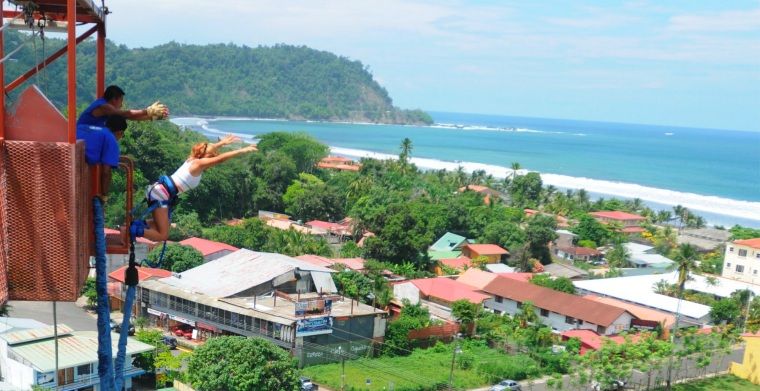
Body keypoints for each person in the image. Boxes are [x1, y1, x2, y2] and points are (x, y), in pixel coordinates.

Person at [126, 134, 257, 242]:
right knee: (163, 235)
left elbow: (207, 150)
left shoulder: (193, 159)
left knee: (164, 225)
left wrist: (222, 143)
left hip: (159, 191)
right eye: (211, 157)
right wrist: (242, 150)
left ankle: (135, 225)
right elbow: (220, 160)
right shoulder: (198, 164)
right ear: (206, 157)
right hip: (161, 194)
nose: (212, 160)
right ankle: (129, 230)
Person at [76, 116, 128, 204]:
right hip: (75, 170)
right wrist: (104, 196)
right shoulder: (110, 138)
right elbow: (106, 172)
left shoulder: (83, 126)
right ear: (120, 133)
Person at [77, 85, 169, 126]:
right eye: (121, 101)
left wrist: (150, 117)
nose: (121, 105)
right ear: (113, 100)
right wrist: (149, 111)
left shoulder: (104, 105)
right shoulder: (104, 107)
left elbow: (130, 117)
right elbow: (126, 114)